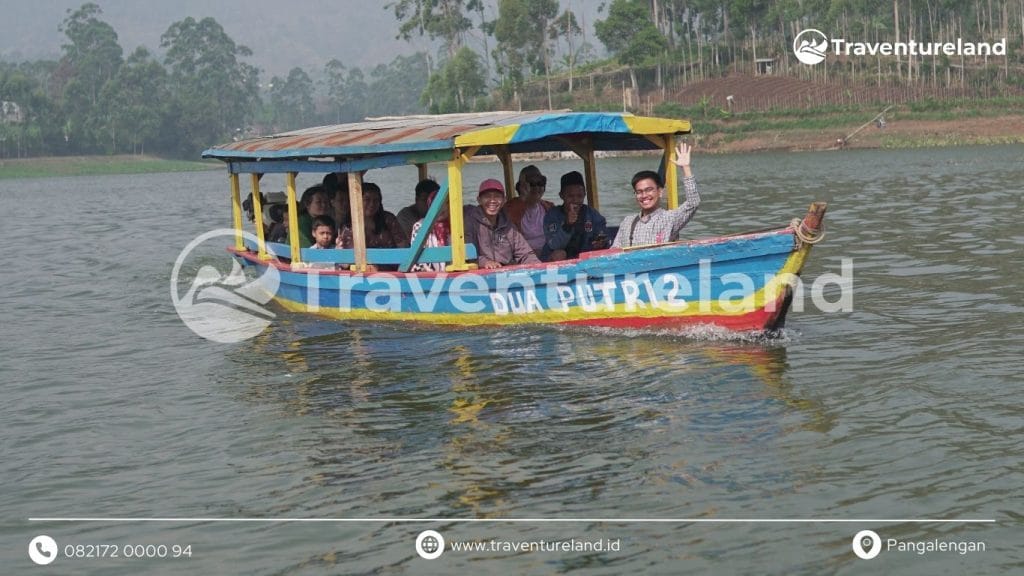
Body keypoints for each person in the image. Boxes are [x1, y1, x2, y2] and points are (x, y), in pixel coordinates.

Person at [612, 142, 701, 248]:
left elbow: (693, 203)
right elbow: (614, 251)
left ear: (660, 192)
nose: (644, 195)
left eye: (649, 190)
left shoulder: (670, 218)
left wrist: (686, 168)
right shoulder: (627, 222)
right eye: (639, 192)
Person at [465, 179, 541, 269]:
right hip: (480, 275)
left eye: (497, 197)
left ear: (504, 200)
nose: (492, 201)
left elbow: (525, 253)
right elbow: (466, 255)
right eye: (487, 196)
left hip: (506, 273)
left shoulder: (508, 225)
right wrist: (485, 262)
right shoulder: (469, 222)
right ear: (479, 200)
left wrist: (537, 265)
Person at [542, 171, 608, 261]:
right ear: (561, 195)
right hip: (558, 262)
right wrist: (567, 225)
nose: (575, 200)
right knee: (559, 254)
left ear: (584, 195)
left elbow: (602, 231)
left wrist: (601, 242)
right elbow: (554, 245)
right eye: (570, 196)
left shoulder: (592, 213)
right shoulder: (552, 215)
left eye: (579, 196)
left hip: (585, 259)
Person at [337, 183, 409, 250]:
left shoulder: (388, 219)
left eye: (376, 200)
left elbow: (403, 246)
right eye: (367, 200)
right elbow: (344, 257)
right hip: (358, 263)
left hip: (391, 262)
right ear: (358, 201)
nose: (372, 204)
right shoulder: (348, 225)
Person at [504, 165, 553, 256]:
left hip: (547, 253)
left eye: (540, 183)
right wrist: (524, 197)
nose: (536, 187)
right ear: (521, 187)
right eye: (531, 183)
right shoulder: (510, 208)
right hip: (523, 256)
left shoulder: (549, 207)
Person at [409, 190, 451, 272]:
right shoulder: (420, 226)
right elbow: (417, 260)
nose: (440, 207)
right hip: (427, 275)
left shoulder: (456, 225)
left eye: (444, 203)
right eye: (435, 204)